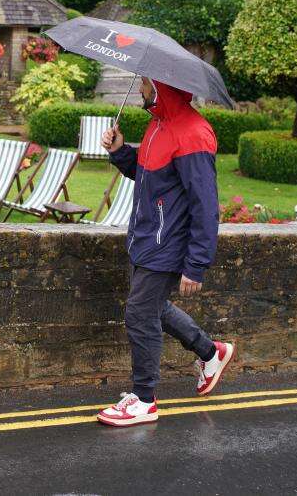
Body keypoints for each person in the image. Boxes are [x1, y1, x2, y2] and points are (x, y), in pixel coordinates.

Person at [96, 78, 236, 427]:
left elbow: (205, 206)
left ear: (161, 87)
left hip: (167, 245)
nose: (141, 89)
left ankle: (144, 399)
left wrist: (197, 263)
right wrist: (120, 151)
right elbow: (148, 177)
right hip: (145, 240)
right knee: (153, 309)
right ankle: (210, 352)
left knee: (139, 316)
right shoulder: (159, 125)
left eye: (145, 83)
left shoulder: (193, 133)